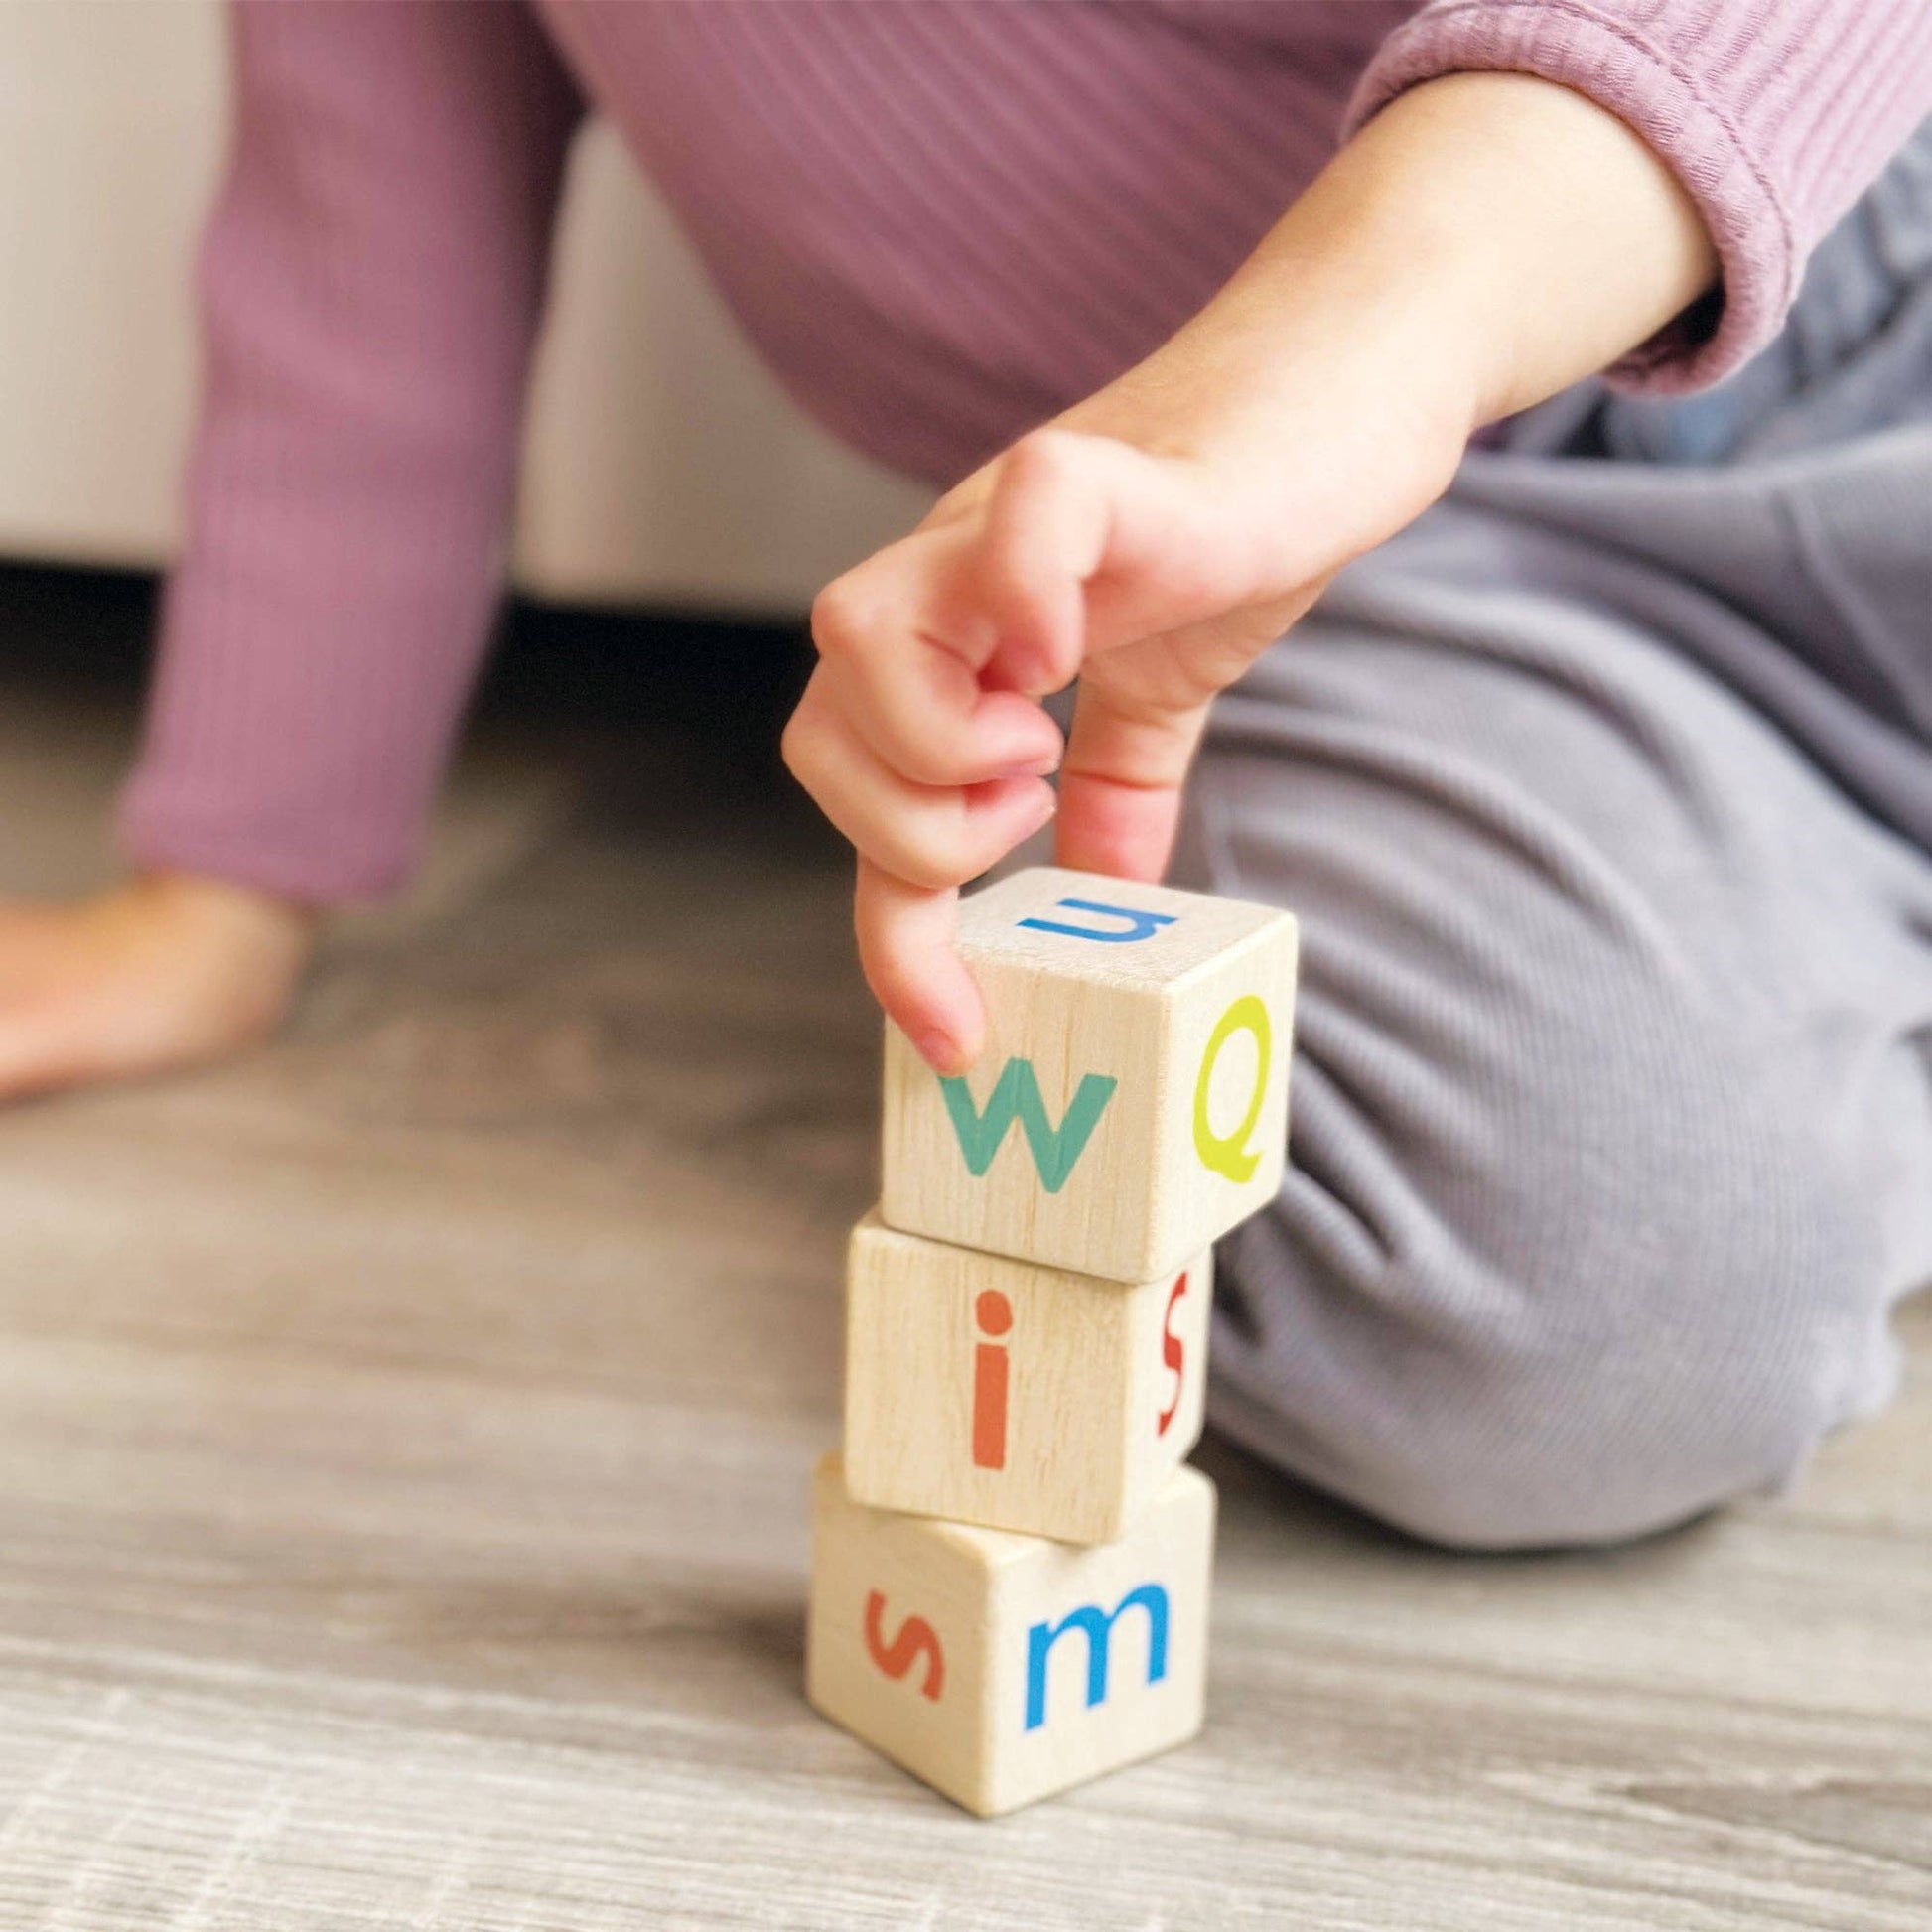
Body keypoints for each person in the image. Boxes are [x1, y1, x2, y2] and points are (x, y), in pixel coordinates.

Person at [5, 3, 1930, 1547]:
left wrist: (1349, 350)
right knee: (1545, 1322)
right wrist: (225, 882)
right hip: (1358, 606)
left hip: (1835, 310)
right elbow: (366, 270)